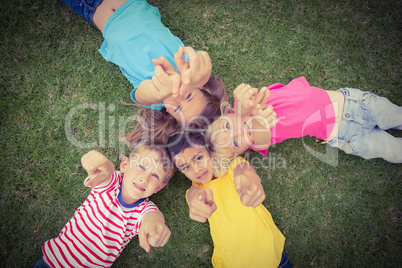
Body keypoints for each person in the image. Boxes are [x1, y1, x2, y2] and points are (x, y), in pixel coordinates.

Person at [60, 0, 228, 125]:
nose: (177, 98)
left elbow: (141, 95)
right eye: (189, 96)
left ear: (169, 113)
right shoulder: (185, 65)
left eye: (176, 109)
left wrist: (157, 94)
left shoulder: (155, 96)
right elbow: (201, 61)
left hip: (86, 8)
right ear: (200, 88)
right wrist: (200, 78)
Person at [207, 76, 402, 175]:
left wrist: (242, 106)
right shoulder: (256, 142)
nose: (238, 131)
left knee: (395, 115)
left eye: (226, 127)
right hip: (346, 135)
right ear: (242, 151)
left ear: (225, 114)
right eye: (235, 142)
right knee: (393, 151)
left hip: (355, 103)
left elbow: (254, 97)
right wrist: (258, 121)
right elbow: (263, 138)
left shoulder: (244, 106)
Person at [33, 141, 175, 268]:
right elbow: (104, 174)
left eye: (155, 175)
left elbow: (153, 217)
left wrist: (154, 225)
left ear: (159, 187)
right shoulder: (111, 183)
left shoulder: (143, 210)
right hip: (53, 261)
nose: (144, 178)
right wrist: (103, 165)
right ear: (124, 165)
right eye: (141, 167)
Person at [167, 132, 292, 268]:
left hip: (271, 259)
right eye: (185, 167)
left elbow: (244, 170)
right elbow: (192, 195)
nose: (196, 169)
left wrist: (249, 179)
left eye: (198, 158)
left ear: (209, 150)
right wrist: (194, 201)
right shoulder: (197, 187)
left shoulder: (233, 166)